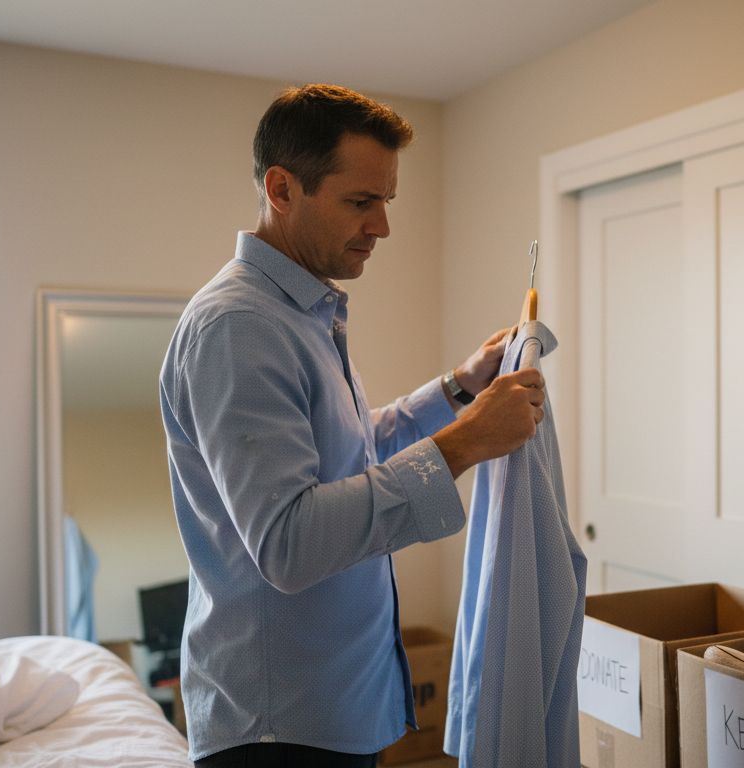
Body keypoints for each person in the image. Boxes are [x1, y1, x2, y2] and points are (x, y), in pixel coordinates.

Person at [159, 84, 546, 767]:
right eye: (362, 202)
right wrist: (464, 444)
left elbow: (347, 452)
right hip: (280, 729)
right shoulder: (240, 326)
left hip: (329, 707)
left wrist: (458, 389)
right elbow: (289, 541)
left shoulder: (300, 314)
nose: (383, 227)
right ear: (282, 189)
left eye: (386, 201)